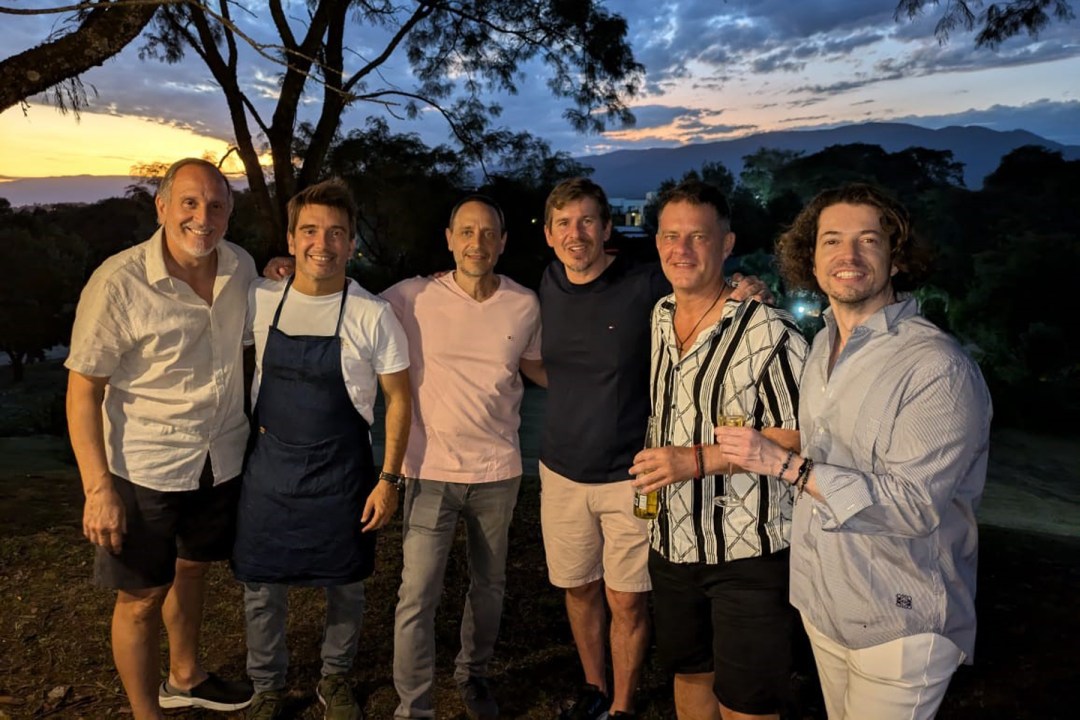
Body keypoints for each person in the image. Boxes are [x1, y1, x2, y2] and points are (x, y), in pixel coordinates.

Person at [714, 183, 991, 720]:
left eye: (868, 240)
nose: (849, 255)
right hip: (825, 604)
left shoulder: (936, 366)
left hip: (899, 621)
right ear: (811, 259)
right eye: (832, 240)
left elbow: (913, 507)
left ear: (896, 258)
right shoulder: (822, 344)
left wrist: (785, 466)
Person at [538, 177, 771, 719]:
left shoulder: (645, 285)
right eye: (564, 223)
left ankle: (622, 705)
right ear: (548, 235)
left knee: (627, 599)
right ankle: (594, 688)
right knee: (579, 588)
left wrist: (747, 286)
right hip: (561, 471)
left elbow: (703, 289)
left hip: (633, 473)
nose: (576, 234)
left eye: (588, 220)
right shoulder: (545, 283)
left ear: (607, 228)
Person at [65, 158, 256, 719]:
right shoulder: (119, 282)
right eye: (190, 203)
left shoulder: (241, 266)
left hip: (219, 456)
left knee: (192, 567)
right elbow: (83, 391)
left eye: (216, 205)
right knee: (141, 597)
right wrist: (97, 488)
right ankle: (146, 714)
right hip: (144, 466)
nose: (203, 217)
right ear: (163, 207)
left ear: (229, 212)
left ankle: (185, 675)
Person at [233, 179, 411, 720]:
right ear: (290, 239)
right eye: (309, 230)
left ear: (352, 243)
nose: (322, 243)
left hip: (342, 474)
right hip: (270, 471)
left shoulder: (372, 314)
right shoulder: (261, 297)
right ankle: (267, 686)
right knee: (261, 587)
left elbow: (399, 399)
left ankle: (335, 678)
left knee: (346, 586)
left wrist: (389, 480)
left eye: (336, 232)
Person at [630, 179, 807, 720]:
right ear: (657, 242)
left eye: (698, 236)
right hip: (671, 542)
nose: (681, 249)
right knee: (690, 674)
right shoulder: (660, 315)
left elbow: (803, 435)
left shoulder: (771, 331)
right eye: (670, 236)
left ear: (726, 244)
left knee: (747, 704)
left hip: (748, 553)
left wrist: (696, 460)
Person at [382, 195, 544, 720]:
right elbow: (345, 303)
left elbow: (539, 367)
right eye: (467, 232)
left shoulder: (524, 304)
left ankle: (473, 675)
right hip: (429, 469)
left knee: (490, 587)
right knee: (416, 594)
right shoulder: (411, 297)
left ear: (503, 242)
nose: (478, 242)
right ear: (449, 239)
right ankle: (414, 706)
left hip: (498, 472)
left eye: (489, 232)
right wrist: (283, 270)